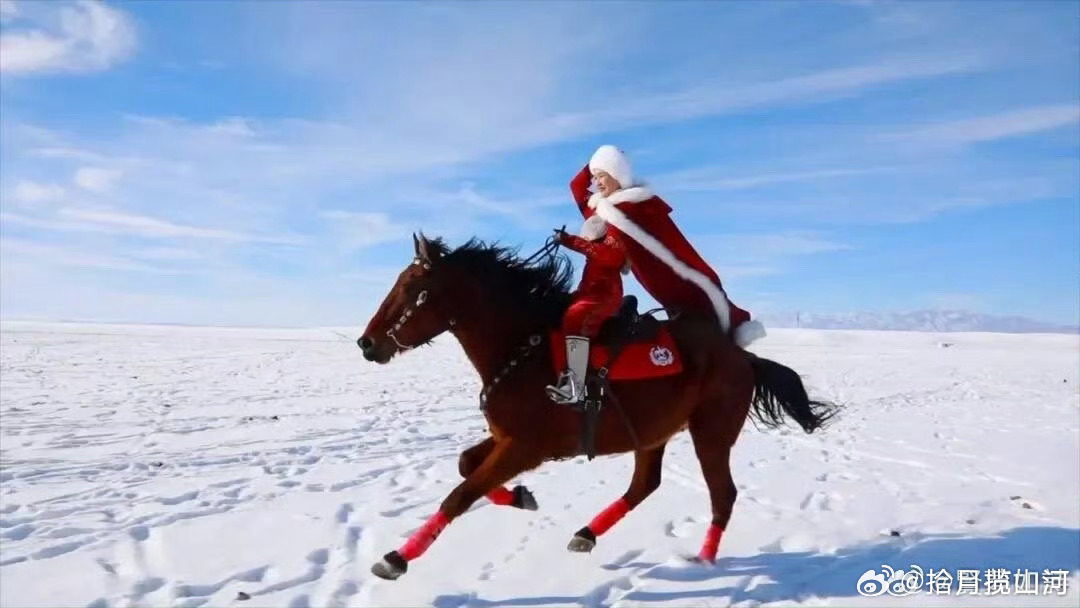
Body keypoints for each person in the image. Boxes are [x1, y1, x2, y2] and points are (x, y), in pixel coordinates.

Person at [569, 145, 765, 347]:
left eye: (602, 176)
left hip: (671, 279)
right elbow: (577, 186)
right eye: (595, 177)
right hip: (653, 284)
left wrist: (614, 160)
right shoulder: (604, 209)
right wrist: (596, 163)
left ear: (617, 175)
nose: (596, 183)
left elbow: (673, 245)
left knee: (703, 317)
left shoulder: (638, 207)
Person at [546, 215, 627, 405]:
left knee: (575, 317)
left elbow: (599, 253)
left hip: (604, 298)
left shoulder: (611, 247)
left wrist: (568, 240)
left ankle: (575, 387)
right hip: (590, 295)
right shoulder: (598, 248)